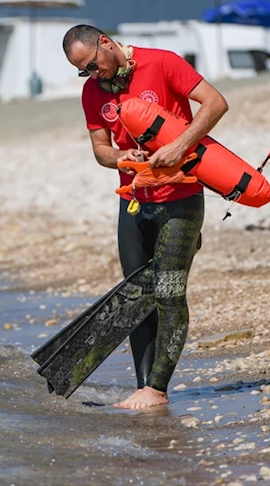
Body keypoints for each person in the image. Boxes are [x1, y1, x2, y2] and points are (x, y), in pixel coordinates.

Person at [62, 24, 228, 409]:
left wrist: (180, 144)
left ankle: (157, 390)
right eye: (83, 71)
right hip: (133, 201)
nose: (92, 74)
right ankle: (143, 386)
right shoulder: (92, 93)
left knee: (169, 293)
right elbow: (100, 149)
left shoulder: (163, 62)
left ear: (105, 42)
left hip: (180, 196)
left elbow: (216, 103)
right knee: (136, 296)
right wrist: (121, 158)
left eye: (92, 64)